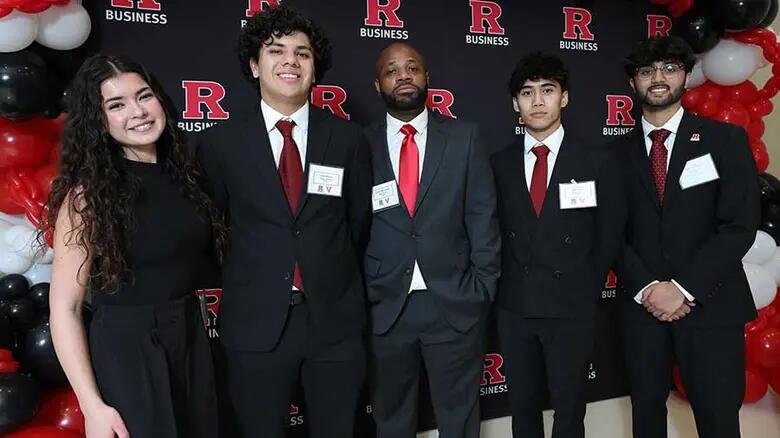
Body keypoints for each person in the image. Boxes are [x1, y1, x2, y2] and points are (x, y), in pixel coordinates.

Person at [197, 5, 372, 438]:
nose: (290, 61)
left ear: (316, 69)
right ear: (255, 65)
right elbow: (213, 230)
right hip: (255, 322)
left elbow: (357, 225)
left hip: (334, 322)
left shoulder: (349, 140)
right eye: (276, 51)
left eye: (303, 53)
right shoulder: (220, 143)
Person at [48, 54, 225, 438]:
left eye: (144, 96)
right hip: (126, 350)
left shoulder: (187, 178)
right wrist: (92, 406)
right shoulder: (86, 197)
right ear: (99, 120)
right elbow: (65, 308)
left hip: (191, 336)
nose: (138, 112)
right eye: (117, 104)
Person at [615, 35, 760, 438]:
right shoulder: (610, 155)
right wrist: (649, 288)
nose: (658, 78)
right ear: (633, 83)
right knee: (646, 417)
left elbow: (739, 226)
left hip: (712, 306)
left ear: (686, 75)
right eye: (646, 71)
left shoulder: (725, 140)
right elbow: (608, 233)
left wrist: (682, 288)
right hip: (642, 311)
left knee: (718, 421)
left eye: (669, 68)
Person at [364, 42, 500, 438]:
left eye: (412, 68)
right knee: (391, 419)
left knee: (458, 419)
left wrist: (481, 289)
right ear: (378, 84)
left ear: (427, 78)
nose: (403, 75)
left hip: (454, 304)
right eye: (392, 71)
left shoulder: (464, 138)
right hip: (385, 307)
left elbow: (482, 217)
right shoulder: (358, 144)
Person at [490, 52, 624, 438]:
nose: (537, 101)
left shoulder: (597, 162)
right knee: (523, 408)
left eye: (547, 90)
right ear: (515, 103)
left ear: (564, 98)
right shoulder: (497, 165)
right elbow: (490, 234)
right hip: (516, 307)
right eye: (527, 93)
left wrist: (583, 285)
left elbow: (608, 235)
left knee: (569, 410)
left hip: (572, 307)